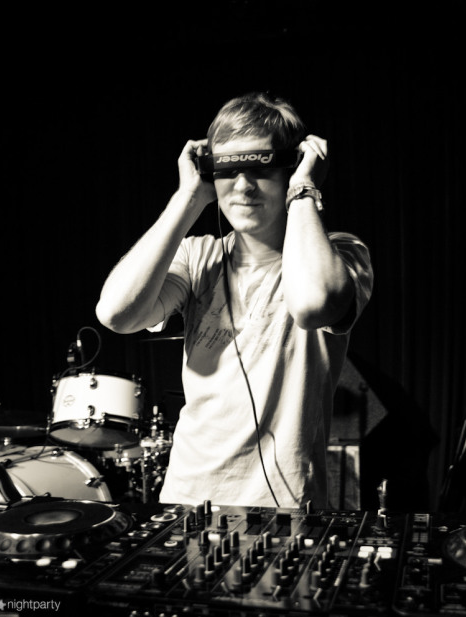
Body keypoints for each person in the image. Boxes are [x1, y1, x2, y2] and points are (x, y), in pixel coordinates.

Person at [96, 92, 373, 509]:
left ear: (292, 167)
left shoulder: (342, 253)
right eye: (228, 170)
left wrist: (304, 189)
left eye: (259, 168)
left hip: (286, 508)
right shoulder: (197, 256)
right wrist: (188, 197)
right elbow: (117, 314)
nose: (242, 186)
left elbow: (312, 305)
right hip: (187, 500)